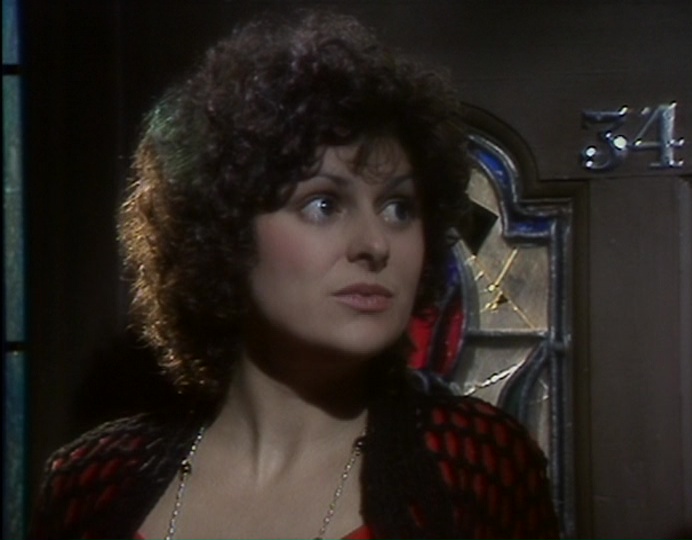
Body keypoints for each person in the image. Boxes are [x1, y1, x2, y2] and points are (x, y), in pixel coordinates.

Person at [30, 11, 560, 540]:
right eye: (324, 204)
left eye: (399, 208)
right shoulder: (92, 485)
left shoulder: (473, 468)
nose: (376, 244)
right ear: (224, 231)